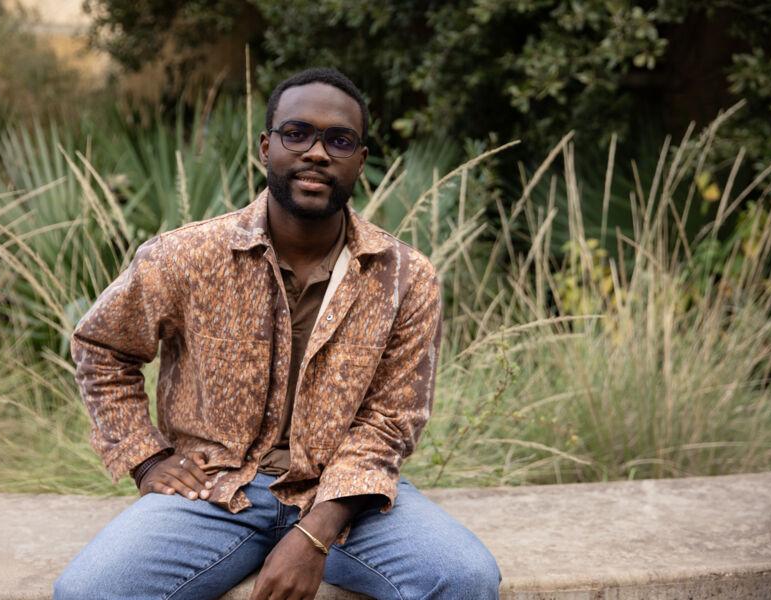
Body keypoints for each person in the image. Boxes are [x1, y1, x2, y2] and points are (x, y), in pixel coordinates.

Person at [53, 67, 501, 600]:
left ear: (360, 160)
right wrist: (146, 457)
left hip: (345, 497)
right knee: (89, 592)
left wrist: (315, 533)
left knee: (466, 577)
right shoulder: (187, 256)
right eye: (297, 134)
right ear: (267, 146)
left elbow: (391, 422)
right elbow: (102, 347)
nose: (317, 152)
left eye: (339, 140)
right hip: (213, 493)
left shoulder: (403, 275)